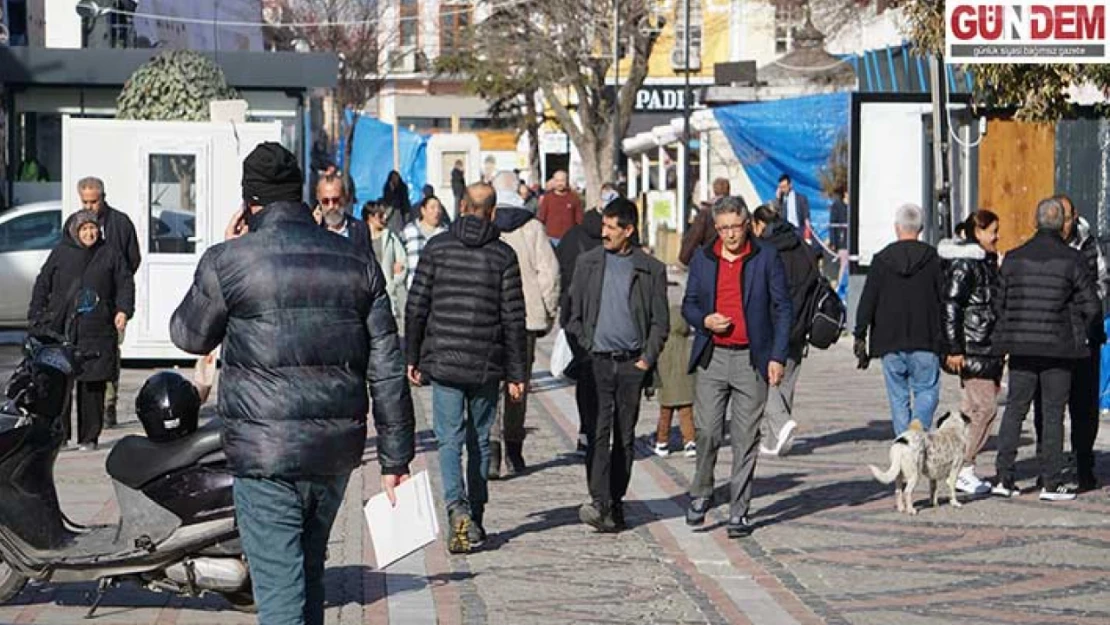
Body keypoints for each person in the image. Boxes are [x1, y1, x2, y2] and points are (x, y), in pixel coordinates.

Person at [169, 142, 415, 625]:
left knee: (281, 598)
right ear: (301, 195)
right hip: (333, 454)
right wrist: (395, 457)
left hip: (265, 455)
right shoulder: (355, 259)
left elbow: (188, 334)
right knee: (308, 580)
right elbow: (387, 364)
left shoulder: (230, 260)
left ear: (250, 202)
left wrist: (224, 247)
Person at [406, 182, 527, 553]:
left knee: (448, 439)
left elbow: (416, 305)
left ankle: (456, 506)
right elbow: (513, 319)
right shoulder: (503, 255)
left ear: (461, 207)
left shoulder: (436, 247)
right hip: (486, 365)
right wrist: (517, 372)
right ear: (492, 212)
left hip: (444, 361)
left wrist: (411, 355)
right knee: (478, 440)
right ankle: (475, 515)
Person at [682, 197, 791, 539]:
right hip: (713, 356)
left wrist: (777, 356)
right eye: (723, 228)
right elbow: (689, 304)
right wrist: (704, 319)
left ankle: (738, 511)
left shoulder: (765, 257)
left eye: (735, 226)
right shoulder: (703, 258)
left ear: (747, 224)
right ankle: (701, 492)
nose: (730, 234)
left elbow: (782, 308)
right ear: (716, 228)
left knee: (745, 438)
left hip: (751, 359)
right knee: (708, 431)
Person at [565, 198, 668, 533]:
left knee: (624, 436)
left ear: (629, 230)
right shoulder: (589, 263)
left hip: (630, 366)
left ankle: (615, 500)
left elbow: (659, 322)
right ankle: (599, 501)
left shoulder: (650, 269)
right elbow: (572, 316)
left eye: (611, 227)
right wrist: (585, 352)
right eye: (603, 226)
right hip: (595, 364)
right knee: (596, 433)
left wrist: (645, 360)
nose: (604, 233)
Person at [992, 197, 1100, 501]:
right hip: (1059, 347)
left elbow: (998, 304)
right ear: (1063, 224)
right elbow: (1092, 306)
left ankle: (1004, 476)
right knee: (1053, 413)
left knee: (1015, 409)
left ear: (1034, 222)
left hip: (1021, 346)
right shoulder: (1073, 260)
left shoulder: (1013, 258)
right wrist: (1080, 328)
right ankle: (1051, 482)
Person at [29, 209, 135, 451]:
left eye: (93, 228)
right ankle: (60, 435)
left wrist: (123, 311)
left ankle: (89, 437)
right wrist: (36, 314)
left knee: (92, 384)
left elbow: (125, 284)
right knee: (58, 382)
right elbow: (42, 283)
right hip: (61, 327)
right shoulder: (60, 253)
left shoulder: (110, 254)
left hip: (97, 327)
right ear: (75, 231)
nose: (90, 233)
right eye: (85, 229)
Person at [1032, 195, 1108, 492]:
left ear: (1074, 217)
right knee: (1048, 407)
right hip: (1051, 337)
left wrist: (1080, 309)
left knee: (1084, 406)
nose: (1063, 223)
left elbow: (1101, 286)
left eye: (1066, 217)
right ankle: (1048, 465)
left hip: (1084, 337)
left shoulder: (1090, 246)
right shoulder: (1041, 245)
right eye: (1059, 217)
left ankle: (1084, 464)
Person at [489, 171, 560, 478]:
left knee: (490, 384)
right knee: (519, 383)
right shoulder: (532, 227)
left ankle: (491, 449)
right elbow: (549, 273)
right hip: (526, 317)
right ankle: (514, 447)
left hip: (490, 316)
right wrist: (545, 310)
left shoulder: (487, 225)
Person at [853, 204, 943, 436]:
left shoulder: (881, 260)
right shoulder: (933, 259)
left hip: (890, 340)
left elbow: (868, 300)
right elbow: (943, 299)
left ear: (896, 228)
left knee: (898, 397)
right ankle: (919, 426)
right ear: (921, 228)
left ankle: (905, 446)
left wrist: (860, 334)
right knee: (926, 390)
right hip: (926, 338)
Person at [937, 210, 1002, 497]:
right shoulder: (966, 264)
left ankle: (956, 465)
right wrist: (955, 348)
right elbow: (951, 307)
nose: (997, 236)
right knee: (985, 409)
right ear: (978, 232)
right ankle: (963, 467)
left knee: (970, 410)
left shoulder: (985, 263)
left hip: (985, 346)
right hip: (974, 347)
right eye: (993, 231)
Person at [69, 177, 140, 430]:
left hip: (112, 302)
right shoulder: (75, 224)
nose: (90, 207)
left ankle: (109, 403)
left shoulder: (120, 224)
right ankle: (90, 409)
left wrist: (120, 293)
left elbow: (133, 259)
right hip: (84, 305)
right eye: (85, 202)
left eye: (94, 201)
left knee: (110, 354)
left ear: (103, 197)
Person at [751, 205, 819, 457]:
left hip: (773, 323)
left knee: (765, 377)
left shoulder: (765, 250)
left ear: (759, 224)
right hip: (801, 322)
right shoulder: (801, 244)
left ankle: (780, 424)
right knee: (786, 380)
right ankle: (775, 440)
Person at [555, 194, 606, 456]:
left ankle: (586, 432)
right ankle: (601, 432)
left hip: (576, 317)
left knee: (586, 380)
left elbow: (559, 272)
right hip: (604, 318)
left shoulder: (571, 236)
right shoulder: (613, 241)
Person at [653, 300, 696, 458]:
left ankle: (662, 443)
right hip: (685, 386)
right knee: (686, 414)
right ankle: (690, 442)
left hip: (667, 387)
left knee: (665, 414)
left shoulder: (662, 343)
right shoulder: (687, 342)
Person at [363, 200, 409, 328]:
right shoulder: (360, 238)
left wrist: (394, 281)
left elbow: (403, 262)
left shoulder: (390, 237)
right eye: (380, 215)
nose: (384, 218)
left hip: (387, 293)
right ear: (370, 217)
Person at [314, 173, 371, 257]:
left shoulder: (360, 229)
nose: (331, 206)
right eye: (325, 201)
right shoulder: (313, 229)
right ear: (319, 201)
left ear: (345, 198)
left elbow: (369, 263)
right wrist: (314, 227)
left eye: (336, 200)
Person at [679, 177, 730, 266]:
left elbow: (694, 237)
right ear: (728, 190)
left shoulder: (706, 212)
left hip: (711, 257)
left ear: (714, 190)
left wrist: (684, 258)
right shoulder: (737, 210)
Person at [401, 197, 448, 288]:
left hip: (438, 288)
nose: (437, 211)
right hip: (413, 287)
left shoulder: (446, 233)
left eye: (439, 208)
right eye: (432, 207)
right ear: (423, 210)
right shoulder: (409, 231)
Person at [537, 170, 583, 245]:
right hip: (551, 238)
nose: (559, 183)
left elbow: (579, 219)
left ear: (567, 181)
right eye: (557, 180)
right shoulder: (548, 198)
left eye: (562, 180)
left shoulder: (574, 198)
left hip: (569, 238)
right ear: (554, 182)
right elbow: (542, 218)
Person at [773, 174, 812, 241]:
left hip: (799, 230)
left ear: (790, 185)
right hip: (786, 232)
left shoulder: (801, 199)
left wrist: (807, 231)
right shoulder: (780, 201)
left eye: (784, 187)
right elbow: (776, 216)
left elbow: (806, 217)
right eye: (781, 187)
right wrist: (778, 199)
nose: (783, 189)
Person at [382, 170, 411, 234]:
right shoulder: (387, 187)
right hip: (391, 211)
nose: (395, 179)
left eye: (396, 177)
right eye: (393, 178)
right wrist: (392, 190)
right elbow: (388, 200)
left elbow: (405, 200)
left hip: (401, 211)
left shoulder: (402, 187)